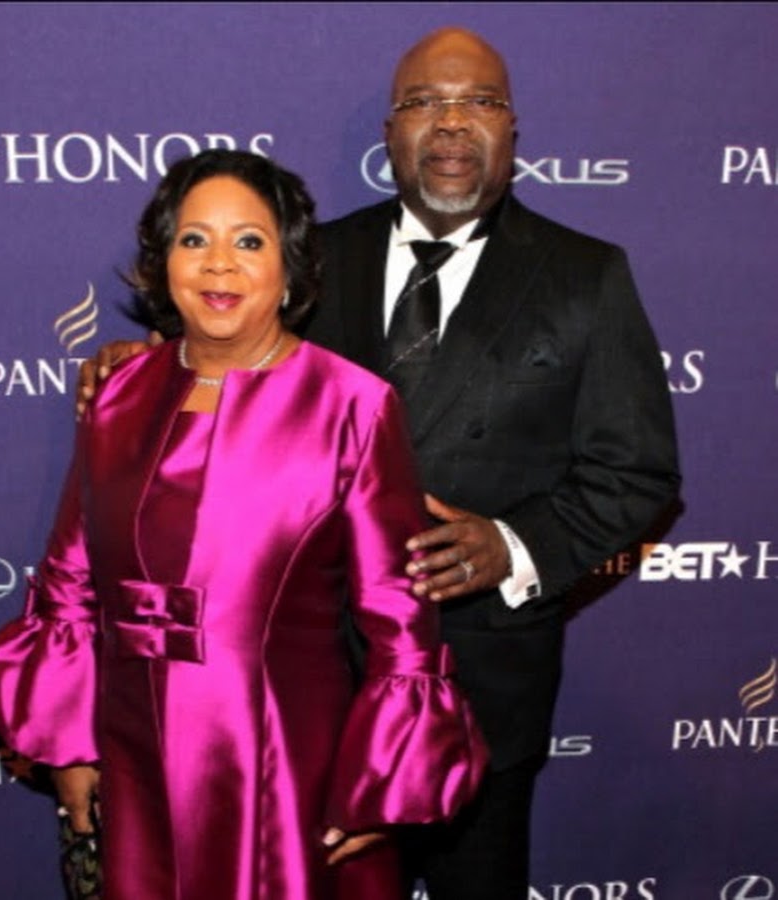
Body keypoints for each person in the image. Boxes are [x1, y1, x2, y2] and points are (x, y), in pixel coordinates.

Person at [76, 27, 681, 900]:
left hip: (476, 686)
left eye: (478, 102)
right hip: (299, 696)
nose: (451, 122)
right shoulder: (310, 256)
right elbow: (224, 351)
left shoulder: (586, 276)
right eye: (424, 103)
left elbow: (639, 472)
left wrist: (512, 545)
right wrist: (139, 362)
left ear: (512, 129)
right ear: (391, 132)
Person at [0, 149, 488, 900]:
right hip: (133, 757)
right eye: (194, 239)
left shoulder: (352, 404)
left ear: (291, 268)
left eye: (249, 241)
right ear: (161, 265)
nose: (219, 263)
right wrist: (71, 748)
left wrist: (385, 778)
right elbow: (69, 581)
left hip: (285, 763)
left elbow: (399, 615)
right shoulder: (117, 392)